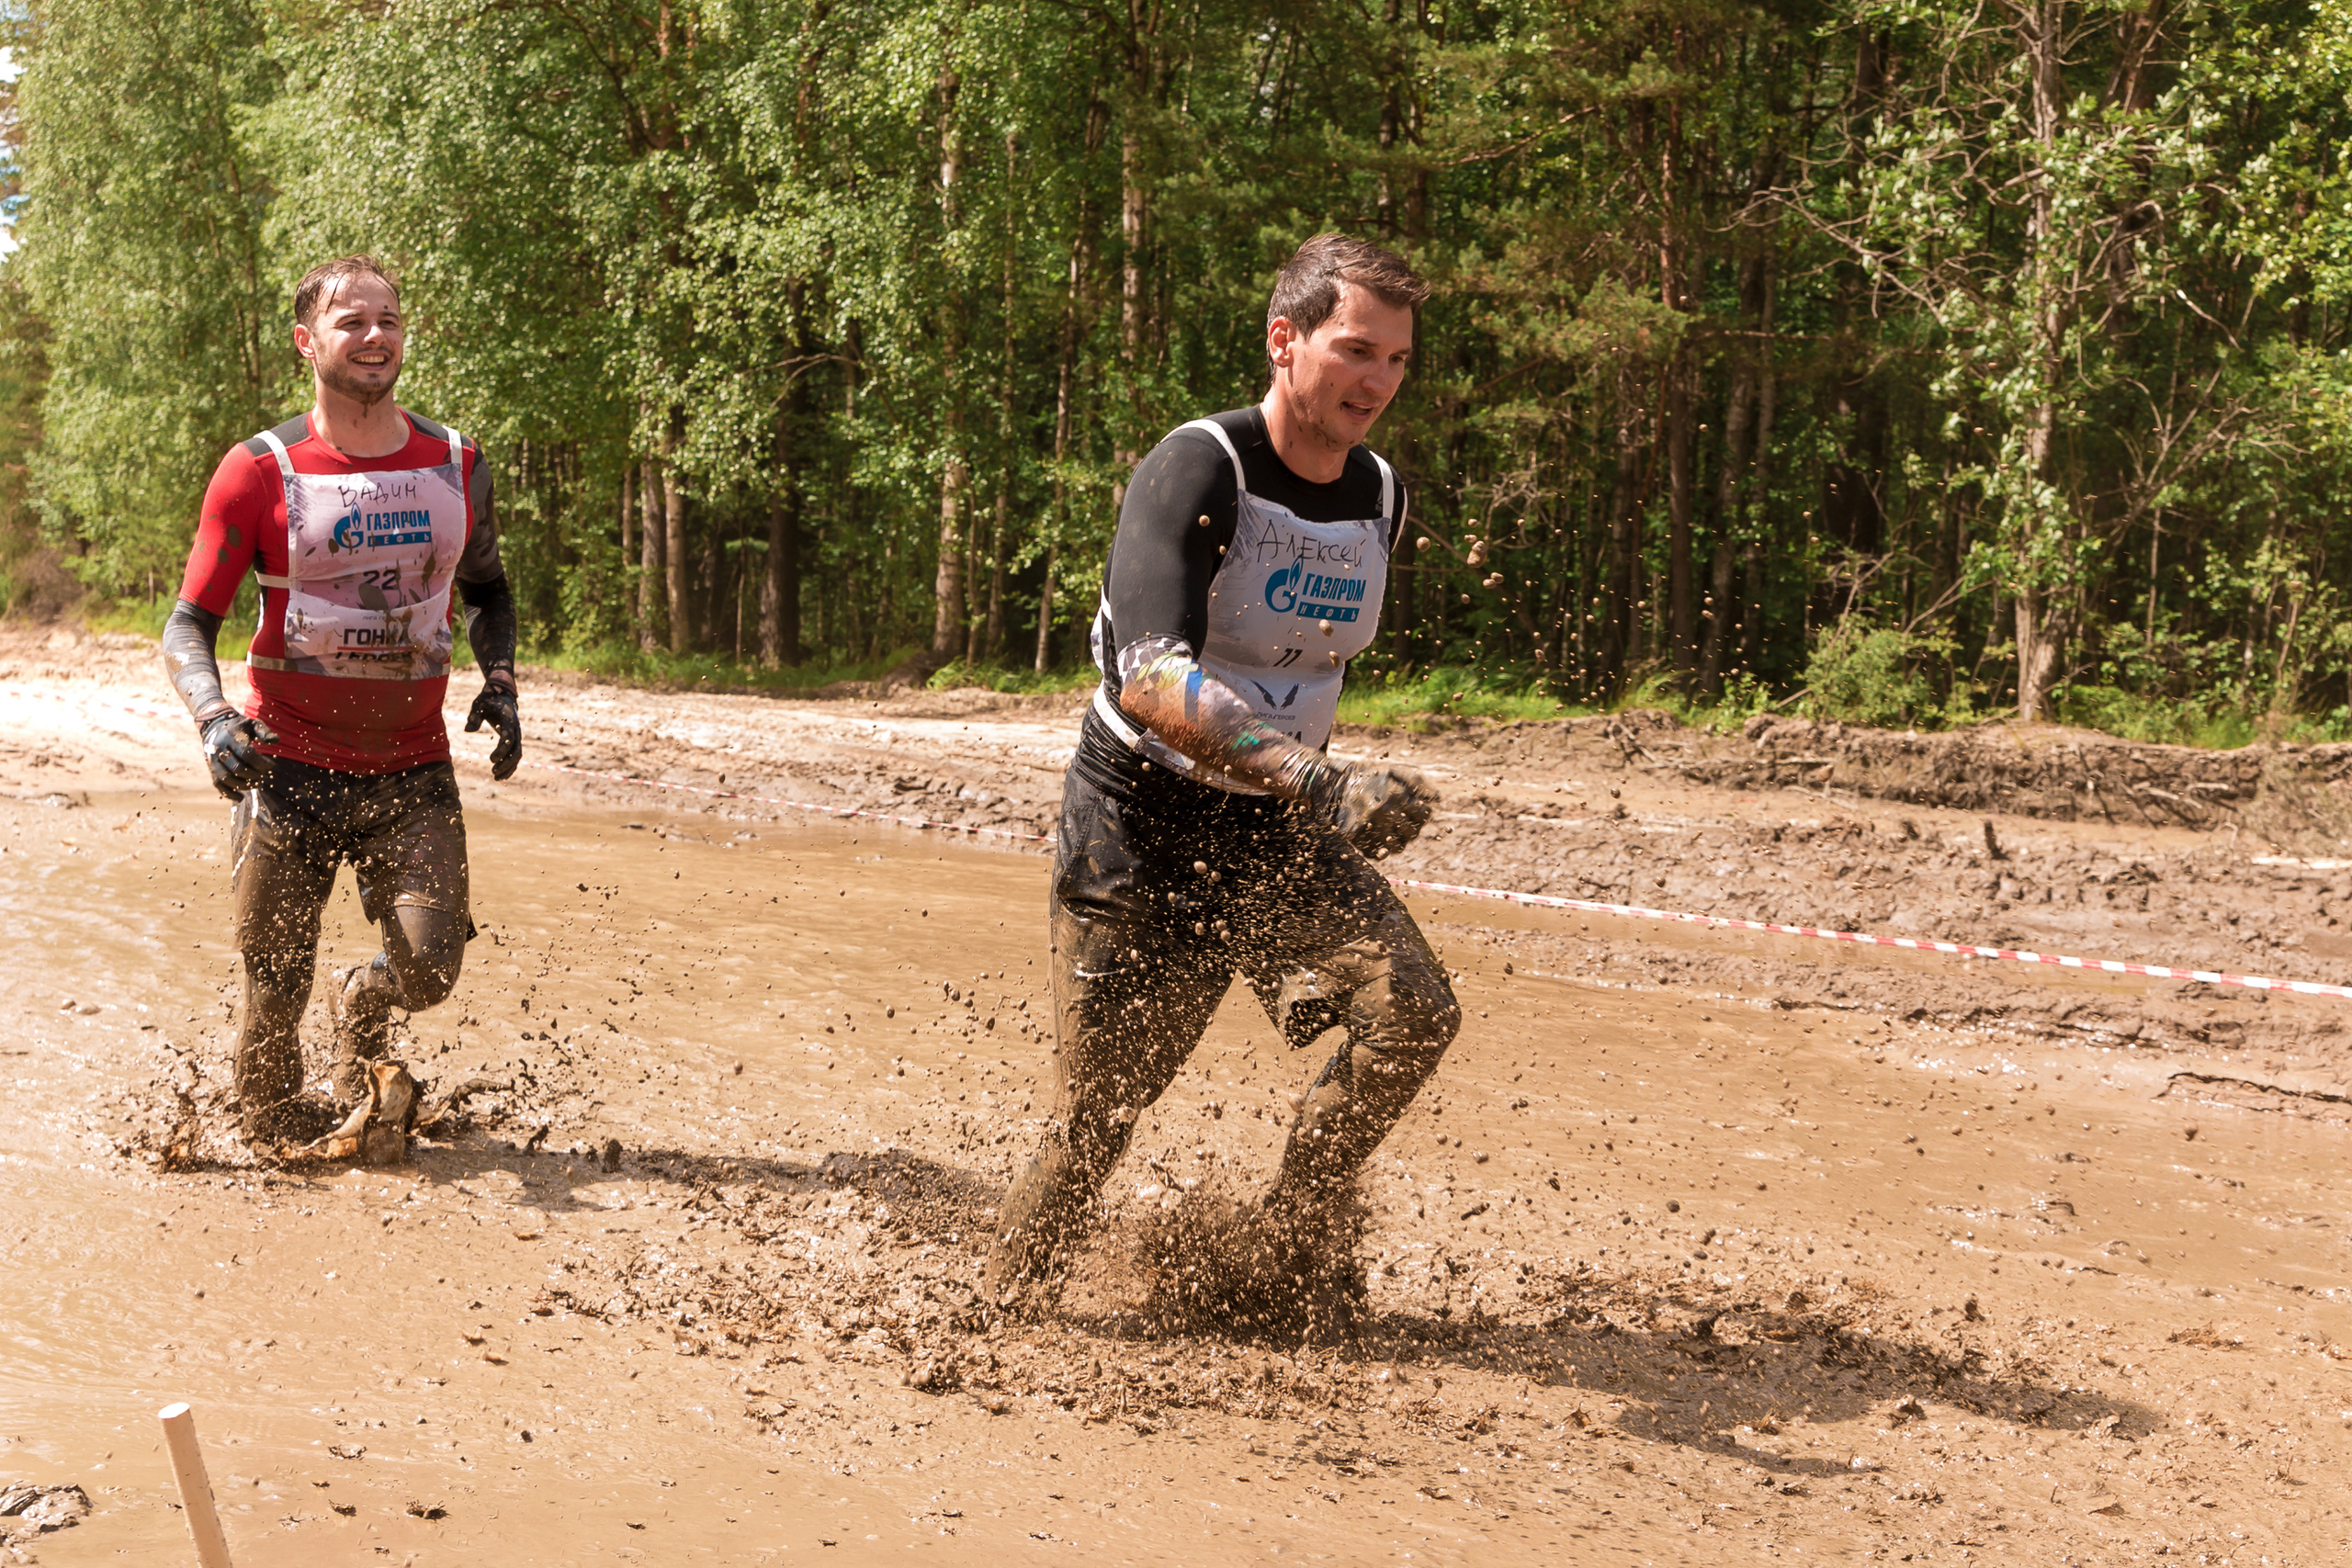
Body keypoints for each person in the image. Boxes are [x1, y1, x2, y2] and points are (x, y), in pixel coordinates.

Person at [986, 234, 1458, 1314]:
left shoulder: (1377, 493)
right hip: (1138, 822)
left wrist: (1312, 786)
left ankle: (1285, 1254)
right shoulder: (1199, 466)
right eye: (1355, 351)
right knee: (1101, 1116)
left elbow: (1301, 661)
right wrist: (1319, 780)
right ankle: (1000, 1326)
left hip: (1274, 829)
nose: (1378, 382)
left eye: (1396, 361)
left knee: (1415, 1013)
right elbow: (1151, 677)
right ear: (1283, 342)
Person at [161, 255, 522, 1141]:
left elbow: (491, 593)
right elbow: (186, 626)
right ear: (306, 341)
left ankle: (366, 996)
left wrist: (501, 682)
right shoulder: (255, 471)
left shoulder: (457, 464)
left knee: (432, 971)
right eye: (351, 321)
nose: (373, 336)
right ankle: (275, 1193)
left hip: (411, 773)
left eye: (388, 320)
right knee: (271, 1009)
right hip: (282, 773)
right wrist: (214, 721)